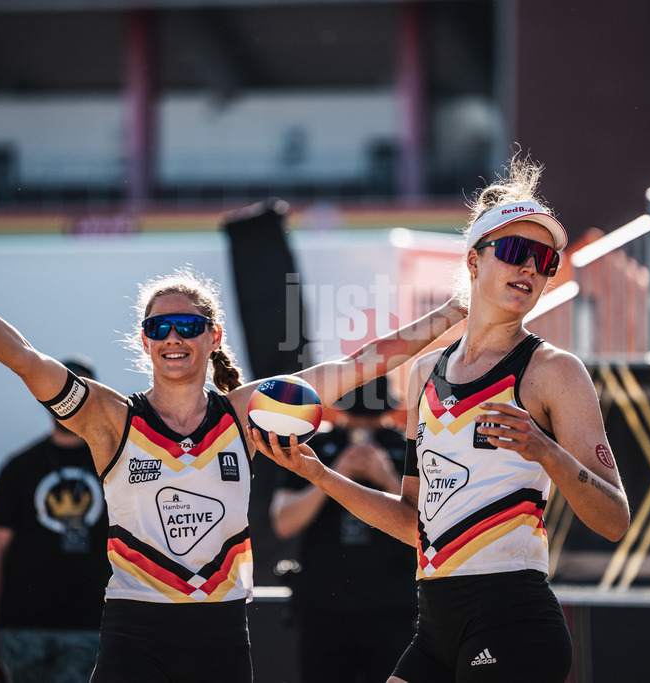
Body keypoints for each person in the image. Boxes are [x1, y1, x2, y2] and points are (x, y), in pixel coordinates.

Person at [0, 233, 465, 683]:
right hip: (135, 629)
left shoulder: (247, 411)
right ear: (145, 340)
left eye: (188, 324)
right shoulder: (113, 418)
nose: (173, 337)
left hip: (222, 630)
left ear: (212, 336)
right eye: (160, 326)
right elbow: (24, 358)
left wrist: (452, 315)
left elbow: (363, 362)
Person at [251, 154, 630, 683]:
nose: (531, 269)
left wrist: (545, 450)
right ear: (474, 262)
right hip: (435, 627)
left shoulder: (554, 371)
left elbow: (614, 519)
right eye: (518, 251)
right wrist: (321, 476)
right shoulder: (424, 371)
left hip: (512, 620)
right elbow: (414, 521)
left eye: (545, 262)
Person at [270, 376, 416, 683]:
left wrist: (387, 477)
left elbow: (428, 527)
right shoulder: (314, 448)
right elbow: (283, 522)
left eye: (372, 417)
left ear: (387, 412)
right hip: (324, 610)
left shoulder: (406, 450)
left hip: (393, 610)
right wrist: (334, 476)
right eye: (357, 415)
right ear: (342, 411)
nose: (363, 425)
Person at [0, 356, 111, 683]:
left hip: (94, 629)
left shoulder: (117, 463)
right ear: (44, 396)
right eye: (61, 390)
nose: (69, 401)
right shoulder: (19, 467)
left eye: (79, 391)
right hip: (22, 631)